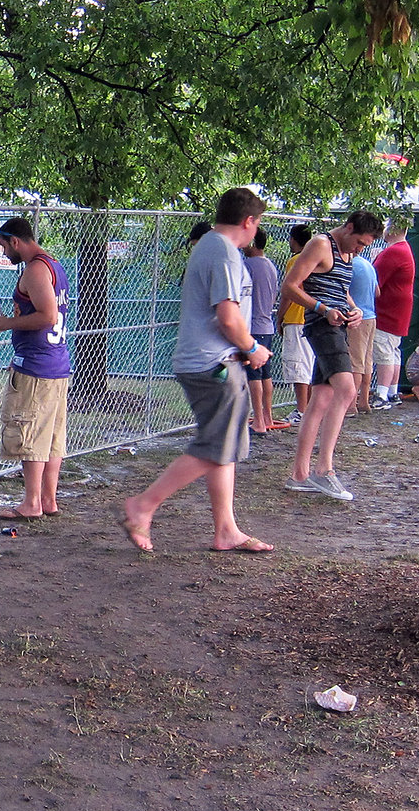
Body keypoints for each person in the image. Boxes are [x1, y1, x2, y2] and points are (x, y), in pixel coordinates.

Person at [121, 188, 273, 554]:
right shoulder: (224, 252)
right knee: (215, 446)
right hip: (214, 364)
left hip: (211, 360)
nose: (256, 231)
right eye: (257, 224)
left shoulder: (209, 245)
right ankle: (143, 506)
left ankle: (227, 530)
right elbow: (228, 317)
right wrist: (253, 348)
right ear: (248, 221)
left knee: (224, 445)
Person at [281, 211, 383, 502]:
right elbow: (290, 285)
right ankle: (324, 469)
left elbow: (339, 289)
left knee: (320, 400)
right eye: (360, 243)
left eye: (365, 246)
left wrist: (355, 309)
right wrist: (324, 310)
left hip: (338, 327)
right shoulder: (321, 244)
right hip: (322, 327)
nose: (360, 250)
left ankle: (299, 475)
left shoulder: (347, 252)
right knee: (347, 390)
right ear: (348, 228)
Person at [0, 217, 72, 519]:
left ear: (15, 241)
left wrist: (6, 324)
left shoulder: (35, 269)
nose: (4, 252)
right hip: (56, 363)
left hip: (37, 367)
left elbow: (48, 316)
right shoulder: (54, 265)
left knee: (29, 433)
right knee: (52, 437)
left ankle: (32, 503)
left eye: (4, 245)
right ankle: (48, 500)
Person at [242, 227, 284, 434]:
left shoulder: (247, 265)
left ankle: (258, 421)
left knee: (254, 374)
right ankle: (267, 416)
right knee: (266, 373)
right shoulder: (271, 266)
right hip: (267, 325)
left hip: (253, 326)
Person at [371, 219, 416, 408]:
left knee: (384, 350)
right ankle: (392, 391)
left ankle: (381, 395)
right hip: (399, 310)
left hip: (387, 310)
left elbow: (374, 280)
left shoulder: (393, 251)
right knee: (393, 350)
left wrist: (374, 258)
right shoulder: (404, 249)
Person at [274, 224, 316, 425]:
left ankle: (301, 410)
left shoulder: (295, 260)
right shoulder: (314, 259)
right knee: (309, 366)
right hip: (311, 318)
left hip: (296, 318)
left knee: (298, 366)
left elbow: (288, 292)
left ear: (293, 239)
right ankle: (309, 408)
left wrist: (280, 317)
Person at [347, 246, 378, 415]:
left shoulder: (349, 266)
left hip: (356, 317)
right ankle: (364, 401)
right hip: (371, 316)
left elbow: (343, 291)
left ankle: (351, 404)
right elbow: (377, 292)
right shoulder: (368, 265)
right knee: (366, 361)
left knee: (355, 361)